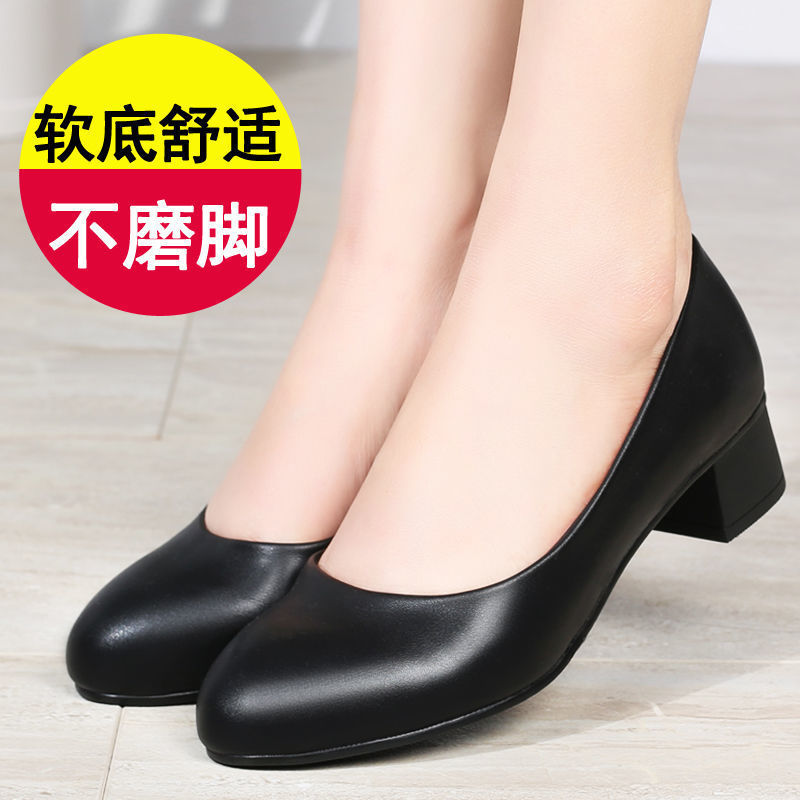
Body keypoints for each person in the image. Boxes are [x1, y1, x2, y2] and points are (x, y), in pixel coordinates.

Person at [68, 0, 784, 766]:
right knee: (417, 198)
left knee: (569, 193)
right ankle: (428, 247)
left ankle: (587, 273)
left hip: (590, 292)